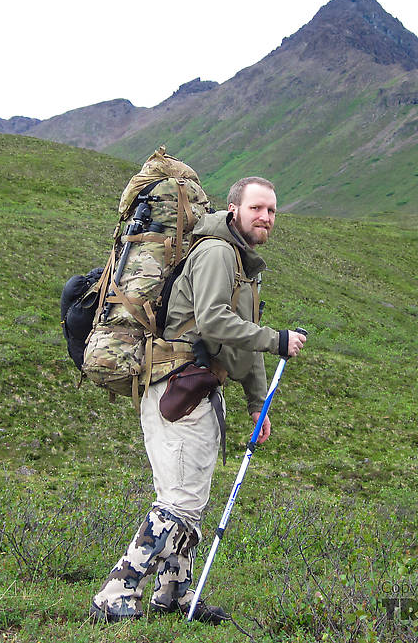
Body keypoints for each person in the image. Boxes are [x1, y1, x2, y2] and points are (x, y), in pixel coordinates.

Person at [90, 176, 306, 624]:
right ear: (233, 209)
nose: (265, 217)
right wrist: (276, 339)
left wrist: (256, 403)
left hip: (200, 388)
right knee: (180, 499)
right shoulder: (216, 253)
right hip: (178, 384)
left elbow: (240, 340)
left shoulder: (243, 264)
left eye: (271, 210)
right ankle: (118, 588)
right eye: (256, 209)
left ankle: (173, 593)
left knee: (190, 497)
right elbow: (213, 322)